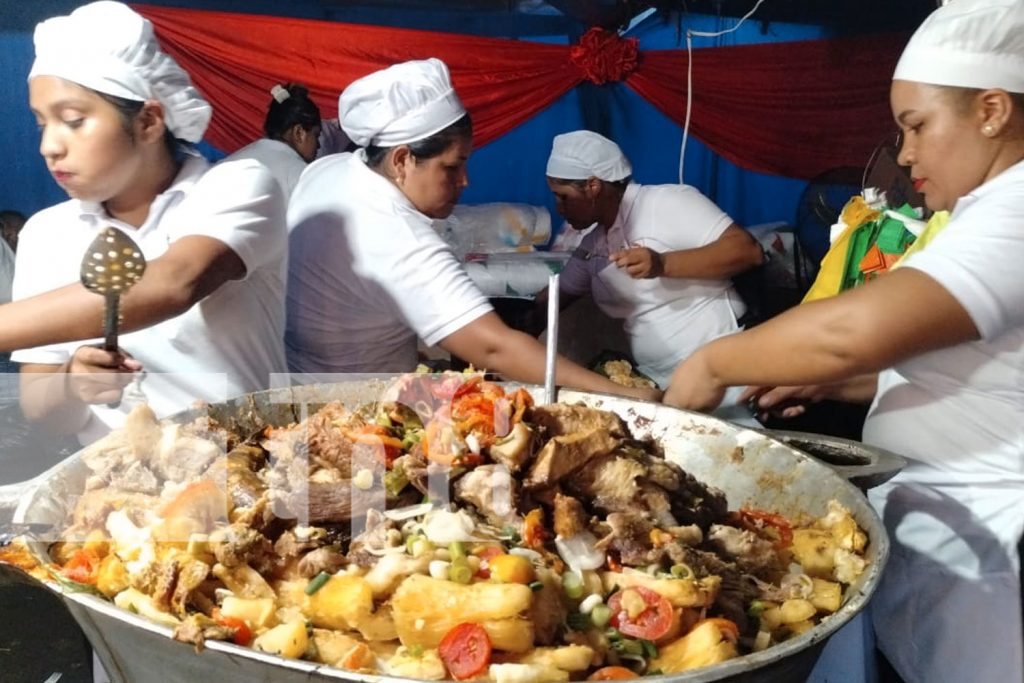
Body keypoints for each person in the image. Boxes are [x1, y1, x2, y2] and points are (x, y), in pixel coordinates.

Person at [664, 1, 1024, 680]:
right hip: (945, 549)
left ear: (992, 110)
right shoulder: (984, 209)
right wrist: (844, 383)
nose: (905, 154)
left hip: (992, 562)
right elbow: (978, 369)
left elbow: (854, 328)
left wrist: (713, 362)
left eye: (915, 127)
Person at [285, 59, 658, 401]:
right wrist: (624, 395)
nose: (465, 181)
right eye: (452, 167)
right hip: (358, 409)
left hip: (296, 383)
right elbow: (495, 348)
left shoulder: (329, 170)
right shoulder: (398, 233)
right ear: (402, 160)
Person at [4, 1, 287, 445]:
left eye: (73, 121)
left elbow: (170, 284)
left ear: (149, 121)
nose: (48, 146)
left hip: (246, 464)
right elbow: (43, 414)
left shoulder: (237, 187)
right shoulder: (46, 233)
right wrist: (73, 382)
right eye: (42, 123)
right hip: (119, 486)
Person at [541, 131, 764, 390]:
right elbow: (557, 295)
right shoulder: (593, 245)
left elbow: (748, 251)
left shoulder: (666, 202)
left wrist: (662, 264)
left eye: (563, 196)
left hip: (723, 362)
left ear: (593, 186)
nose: (559, 207)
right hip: (662, 381)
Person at [223, 82, 321, 201]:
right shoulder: (297, 173)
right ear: (299, 132)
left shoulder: (233, 160)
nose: (319, 145)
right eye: (316, 135)